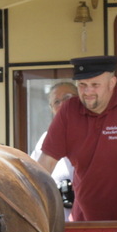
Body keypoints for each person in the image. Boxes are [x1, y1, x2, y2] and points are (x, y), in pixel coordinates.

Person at [38, 55, 117, 229]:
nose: (88, 92)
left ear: (112, 83)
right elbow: (45, 163)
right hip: (86, 222)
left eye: (95, 85)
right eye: (82, 85)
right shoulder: (68, 110)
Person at [30, 82, 77, 219]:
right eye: (56, 102)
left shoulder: (94, 132)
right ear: (51, 109)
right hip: (56, 218)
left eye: (67, 98)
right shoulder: (45, 139)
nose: (62, 105)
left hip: (88, 218)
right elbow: (35, 176)